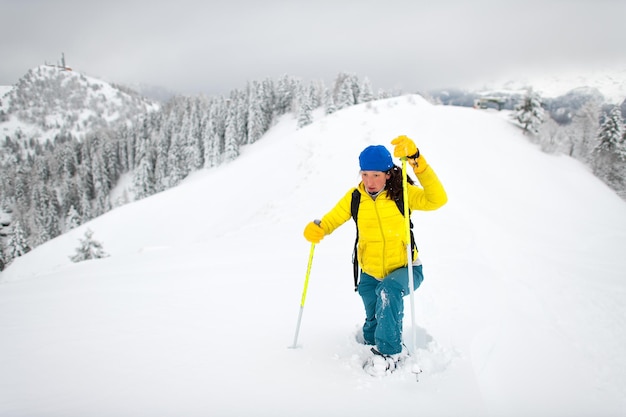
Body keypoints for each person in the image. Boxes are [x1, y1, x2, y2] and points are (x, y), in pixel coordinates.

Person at [302, 135, 447, 376]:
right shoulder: (355, 198)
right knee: (372, 318)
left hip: (406, 268)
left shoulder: (403, 194)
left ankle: (390, 352)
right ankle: (375, 336)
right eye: (365, 174)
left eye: (376, 175)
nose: (370, 181)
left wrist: (416, 160)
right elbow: (332, 219)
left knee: (388, 292)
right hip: (370, 272)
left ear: (388, 173)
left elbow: (437, 199)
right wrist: (319, 228)